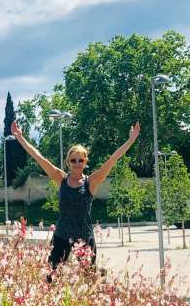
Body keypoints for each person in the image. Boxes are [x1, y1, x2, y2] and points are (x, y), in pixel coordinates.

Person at [10, 120, 140, 280]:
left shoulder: (91, 182)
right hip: (62, 234)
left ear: (86, 162)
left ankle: (97, 283)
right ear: (68, 162)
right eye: (73, 160)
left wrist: (131, 140)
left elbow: (112, 160)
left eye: (81, 160)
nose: (77, 163)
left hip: (84, 236)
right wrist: (20, 137)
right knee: (51, 275)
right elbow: (39, 157)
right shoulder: (61, 179)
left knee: (89, 277)